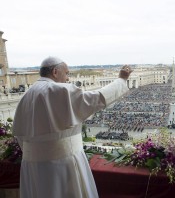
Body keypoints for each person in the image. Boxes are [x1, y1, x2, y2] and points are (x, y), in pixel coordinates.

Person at [13, 56, 133, 198]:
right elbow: (96, 98)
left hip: (32, 167)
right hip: (61, 164)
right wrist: (121, 80)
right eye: (67, 73)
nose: (68, 78)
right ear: (55, 72)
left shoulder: (26, 95)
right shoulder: (58, 90)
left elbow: (20, 136)